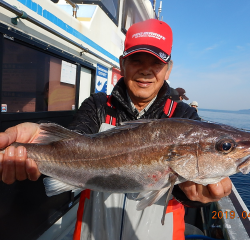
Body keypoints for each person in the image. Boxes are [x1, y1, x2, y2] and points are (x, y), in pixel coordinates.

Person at [0, 19, 232, 240]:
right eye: (136, 61)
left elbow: (185, 185)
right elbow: (74, 140)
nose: (146, 70)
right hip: (95, 231)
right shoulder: (98, 105)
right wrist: (39, 137)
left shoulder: (184, 116)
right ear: (122, 64)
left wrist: (197, 196)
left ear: (168, 69)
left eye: (156, 63)